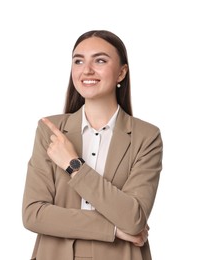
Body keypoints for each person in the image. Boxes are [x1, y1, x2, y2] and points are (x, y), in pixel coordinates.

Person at [22, 29, 163, 260]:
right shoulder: (49, 131)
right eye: (78, 61)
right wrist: (114, 229)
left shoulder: (146, 136)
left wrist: (72, 164)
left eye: (99, 60)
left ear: (121, 73)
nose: (86, 70)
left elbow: (133, 219)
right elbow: (33, 214)